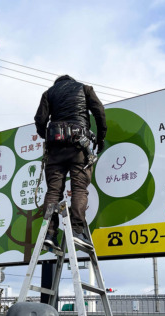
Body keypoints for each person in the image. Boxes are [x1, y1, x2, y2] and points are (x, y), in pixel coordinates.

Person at [34, 75, 107, 251]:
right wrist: (101, 138)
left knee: (53, 191)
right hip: (79, 147)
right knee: (79, 189)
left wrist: (49, 137)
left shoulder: (48, 93)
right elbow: (99, 112)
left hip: (55, 151)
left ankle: (49, 234)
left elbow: (40, 120)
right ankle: (77, 232)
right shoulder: (85, 89)